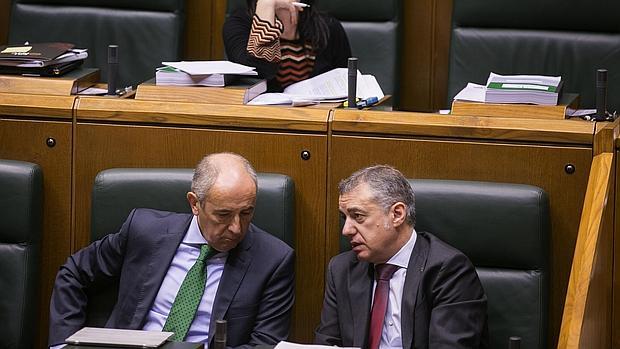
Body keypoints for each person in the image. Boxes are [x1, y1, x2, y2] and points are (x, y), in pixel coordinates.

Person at [49, 153, 295, 348]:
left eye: (246, 212)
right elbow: (74, 274)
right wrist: (64, 344)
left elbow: (265, 344)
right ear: (194, 203)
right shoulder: (144, 230)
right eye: (223, 215)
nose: (236, 227)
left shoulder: (273, 260)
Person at [314, 165, 488, 349]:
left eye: (358, 216)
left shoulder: (448, 270)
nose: (346, 230)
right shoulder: (342, 269)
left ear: (397, 214)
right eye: (344, 218)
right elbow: (328, 344)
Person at [223, 0, 351, 91]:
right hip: (263, 118)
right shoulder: (237, 25)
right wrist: (266, 5)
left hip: (319, 117)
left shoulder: (328, 27)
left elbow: (346, 83)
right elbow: (261, 69)